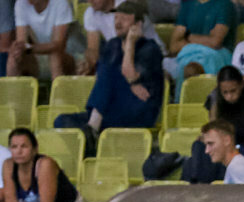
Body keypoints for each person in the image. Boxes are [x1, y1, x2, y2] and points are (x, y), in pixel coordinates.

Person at [55, 0, 164, 132]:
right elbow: (106, 75)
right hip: (111, 110)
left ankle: (93, 128)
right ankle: (92, 132)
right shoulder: (113, 45)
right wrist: (131, 83)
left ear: (138, 25)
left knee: (109, 71)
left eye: (124, 19)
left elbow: (128, 74)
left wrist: (130, 44)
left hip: (139, 112)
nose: (117, 23)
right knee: (61, 121)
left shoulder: (150, 49)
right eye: (116, 17)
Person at [0, 128, 78, 202]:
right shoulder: (8, 165)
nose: (19, 151)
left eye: (24, 146)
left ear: (34, 149)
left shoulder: (45, 164)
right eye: (14, 147)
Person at [165, 0, 237, 98]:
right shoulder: (187, 4)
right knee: (161, 70)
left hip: (218, 54)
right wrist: (202, 40)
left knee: (191, 69)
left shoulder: (224, 4)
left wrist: (189, 37)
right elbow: (174, 46)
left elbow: (215, 42)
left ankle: (199, 107)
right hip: (188, 52)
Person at [79, 0, 164, 76]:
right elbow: (92, 48)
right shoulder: (90, 13)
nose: (90, 1)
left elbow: (133, 45)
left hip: (154, 57)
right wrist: (89, 62)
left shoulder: (128, 4)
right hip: (122, 58)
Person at [8, 0, 82, 78]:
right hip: (38, 55)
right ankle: (12, 89)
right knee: (14, 56)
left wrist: (29, 48)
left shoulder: (60, 3)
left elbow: (58, 45)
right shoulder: (21, 3)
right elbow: (22, 43)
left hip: (69, 56)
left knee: (54, 55)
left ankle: (57, 89)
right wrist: (18, 49)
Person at [208, 65, 244, 152]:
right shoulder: (217, 106)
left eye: (233, 91)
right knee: (198, 146)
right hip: (225, 151)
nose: (229, 96)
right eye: (225, 92)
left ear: (242, 85)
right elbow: (212, 133)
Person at [202, 119, 244, 184]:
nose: (206, 151)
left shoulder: (238, 167)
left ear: (227, 140)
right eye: (206, 145)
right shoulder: (236, 165)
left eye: (211, 144)